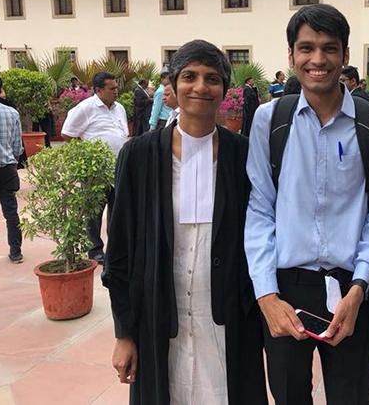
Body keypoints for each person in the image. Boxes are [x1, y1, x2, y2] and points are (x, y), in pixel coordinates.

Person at [245, 4, 369, 405]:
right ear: (291, 55)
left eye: (329, 48)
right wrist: (266, 296)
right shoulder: (268, 120)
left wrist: (360, 288)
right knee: (289, 396)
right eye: (306, 48)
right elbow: (260, 208)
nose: (318, 60)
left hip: (351, 288)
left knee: (351, 396)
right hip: (285, 287)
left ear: (346, 56)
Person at [102, 39, 268, 405]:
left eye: (212, 78)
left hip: (227, 318)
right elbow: (119, 252)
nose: (200, 87)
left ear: (224, 90)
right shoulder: (139, 155)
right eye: (189, 76)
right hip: (159, 314)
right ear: (173, 86)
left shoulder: (242, 154)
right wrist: (124, 332)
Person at [61, 71, 129, 264]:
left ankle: (115, 247)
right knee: (94, 212)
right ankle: (95, 249)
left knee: (117, 211)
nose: (116, 92)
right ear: (98, 90)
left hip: (118, 168)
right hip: (96, 170)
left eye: (117, 88)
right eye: (112, 88)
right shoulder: (86, 108)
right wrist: (85, 157)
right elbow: (67, 133)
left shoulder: (120, 108)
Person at [0, 72, 24, 263]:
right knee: (11, 212)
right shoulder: (12, 112)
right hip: (8, 167)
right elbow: (17, 146)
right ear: (0, 90)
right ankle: (16, 251)